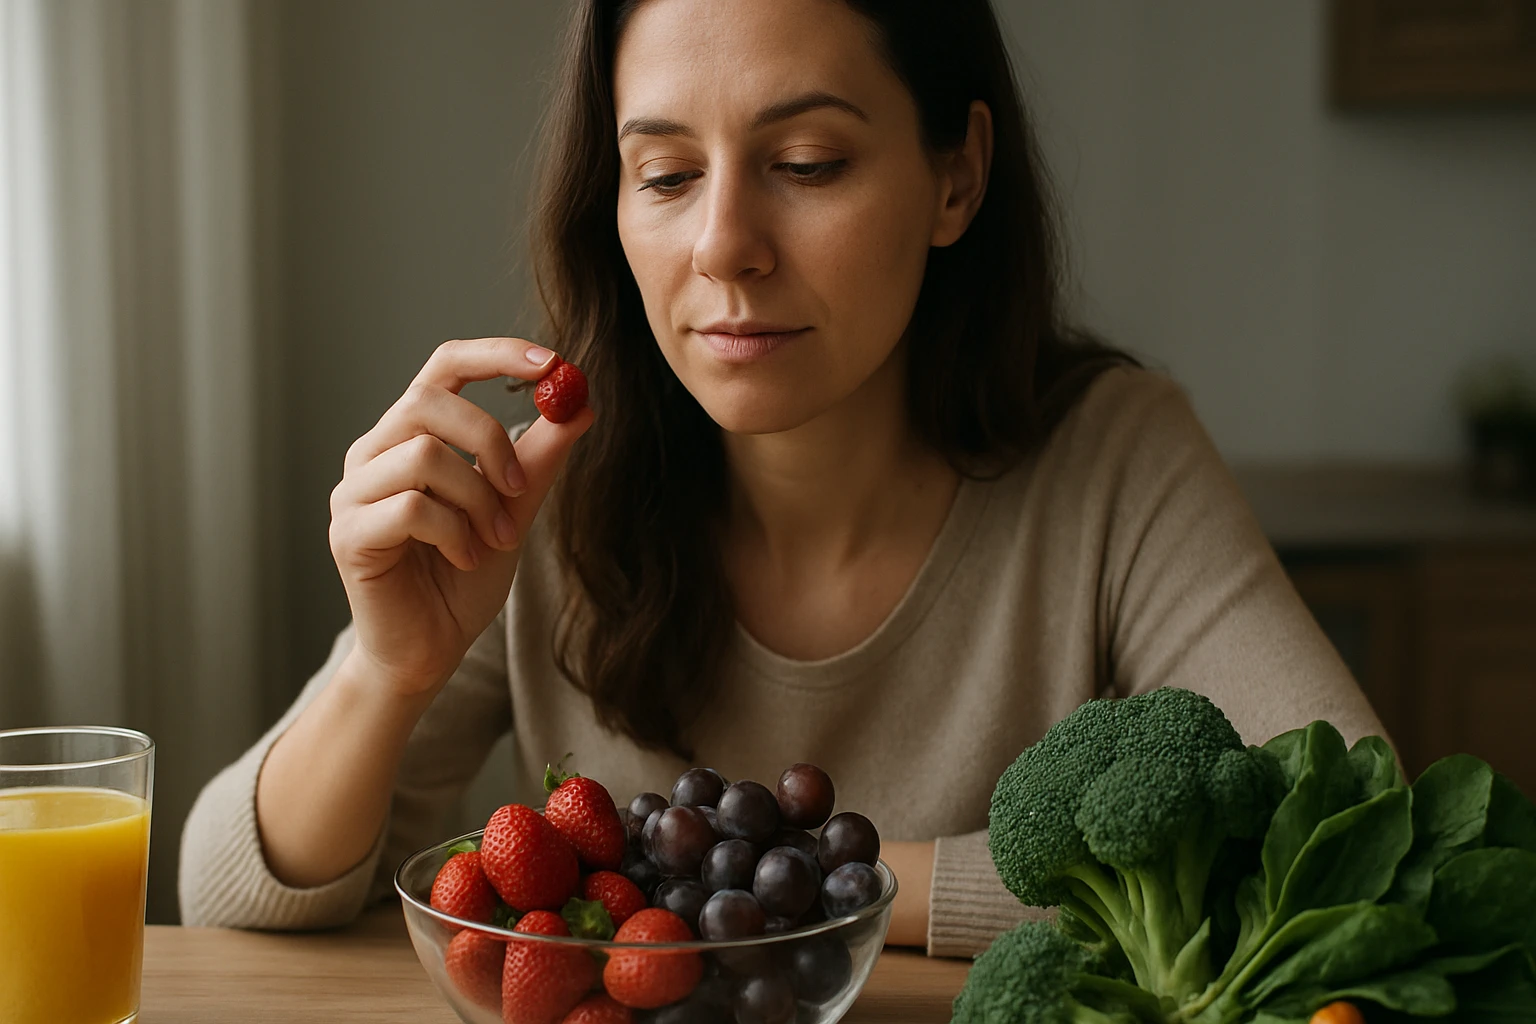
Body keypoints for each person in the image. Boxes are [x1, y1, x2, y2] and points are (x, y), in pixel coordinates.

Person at [179, 0, 1383, 957]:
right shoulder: (545, 480)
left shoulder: (1113, 459)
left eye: (806, 162)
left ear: (956, 177)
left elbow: (1350, 842)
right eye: (663, 175)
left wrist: (791, 886)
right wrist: (384, 668)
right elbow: (230, 887)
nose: (722, 247)